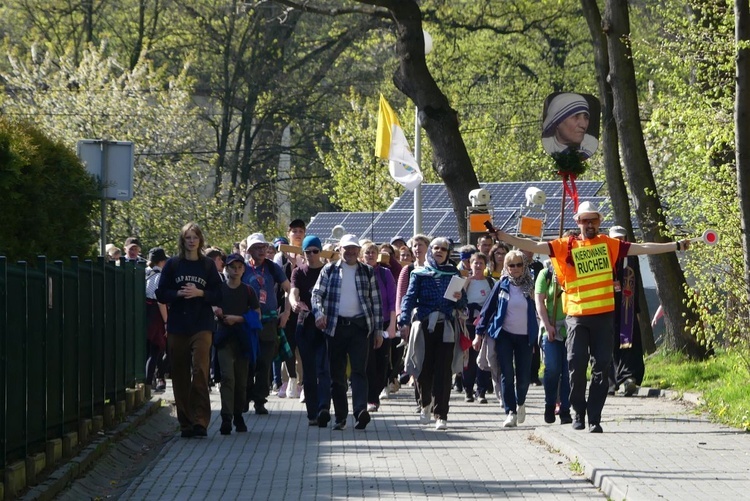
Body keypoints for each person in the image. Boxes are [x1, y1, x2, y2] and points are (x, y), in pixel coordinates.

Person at [492, 200, 692, 432]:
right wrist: (503, 236)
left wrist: (675, 245)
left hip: (604, 317)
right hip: (576, 317)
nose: (589, 224)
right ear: (577, 222)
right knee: (576, 366)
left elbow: (644, 248)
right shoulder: (565, 245)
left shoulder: (608, 244)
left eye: (593, 220)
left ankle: (594, 417)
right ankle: (578, 411)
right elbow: (532, 245)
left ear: (599, 222)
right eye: (584, 220)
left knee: (602, 368)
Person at [156, 222, 223, 438]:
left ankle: (200, 421)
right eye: (188, 238)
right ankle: (185, 422)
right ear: (182, 241)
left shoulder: (207, 266)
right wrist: (179, 294)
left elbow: (219, 294)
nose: (191, 241)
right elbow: (160, 293)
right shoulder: (173, 265)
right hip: (178, 325)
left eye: (195, 237)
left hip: (202, 324)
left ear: (200, 240)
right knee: (179, 374)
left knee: (200, 370)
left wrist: (200, 293)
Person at [311, 234, 382, 431]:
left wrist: (378, 331)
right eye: (346, 248)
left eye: (353, 249)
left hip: (360, 327)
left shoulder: (367, 271)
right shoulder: (330, 270)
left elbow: (376, 302)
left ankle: (360, 411)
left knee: (359, 371)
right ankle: (340, 416)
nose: (350, 252)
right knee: (337, 374)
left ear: (358, 251)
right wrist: (319, 313)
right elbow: (317, 294)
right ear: (339, 249)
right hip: (335, 327)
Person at [398, 237, 467, 431]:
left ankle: (441, 414)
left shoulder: (453, 273)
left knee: (443, 372)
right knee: (423, 368)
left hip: (446, 327)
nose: (439, 251)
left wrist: (460, 298)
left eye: (443, 249)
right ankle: (425, 403)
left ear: (448, 252)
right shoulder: (419, 273)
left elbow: (462, 304)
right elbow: (409, 298)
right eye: (436, 248)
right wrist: (403, 321)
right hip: (424, 326)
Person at [475, 250, 538, 428]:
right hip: (504, 335)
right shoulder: (501, 284)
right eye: (511, 265)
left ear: (524, 266)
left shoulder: (531, 285)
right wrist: (478, 333)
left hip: (526, 336)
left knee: (524, 376)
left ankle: (521, 402)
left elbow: (540, 308)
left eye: (519, 264)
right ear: (506, 267)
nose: (515, 268)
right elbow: (487, 310)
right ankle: (510, 411)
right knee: (507, 373)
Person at [241, 233, 291, 415]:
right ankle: (245, 397)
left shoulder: (272, 268)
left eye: (264, 247)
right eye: (257, 248)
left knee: (264, 362)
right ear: (250, 250)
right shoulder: (242, 269)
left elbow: (288, 288)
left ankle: (260, 400)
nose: (262, 251)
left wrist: (286, 312)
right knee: (248, 361)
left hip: (269, 321)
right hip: (247, 321)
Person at [213, 253, 260, 435]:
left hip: (242, 339)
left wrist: (238, 318)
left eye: (240, 267)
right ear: (227, 268)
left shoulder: (248, 291)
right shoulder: (220, 289)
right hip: (224, 338)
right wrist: (216, 312)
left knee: (241, 381)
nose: (236, 270)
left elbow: (256, 314)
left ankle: (238, 414)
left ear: (244, 269)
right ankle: (226, 417)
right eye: (233, 267)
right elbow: (210, 306)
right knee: (227, 378)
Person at [290, 235, 332, 427]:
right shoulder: (299, 272)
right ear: (304, 253)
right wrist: (293, 303)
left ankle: (324, 408)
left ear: (320, 252)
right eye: (308, 252)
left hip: (324, 325)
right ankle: (312, 414)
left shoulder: (328, 271)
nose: (312, 255)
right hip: (305, 325)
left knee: (324, 369)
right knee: (309, 371)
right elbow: (293, 292)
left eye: (315, 251)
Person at [607, 225, 645, 397]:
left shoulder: (631, 255)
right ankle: (611, 382)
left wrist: (636, 308)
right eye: (615, 238)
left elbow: (635, 280)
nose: (619, 241)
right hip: (608, 306)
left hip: (627, 306)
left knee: (630, 342)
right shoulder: (605, 255)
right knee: (610, 344)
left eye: (621, 238)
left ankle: (629, 377)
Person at [535, 258, 572, 425]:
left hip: (571, 329)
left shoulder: (574, 271)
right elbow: (539, 301)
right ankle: (550, 403)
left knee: (569, 372)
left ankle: (565, 408)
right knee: (553, 369)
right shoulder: (546, 274)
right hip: (550, 328)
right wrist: (547, 325)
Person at [360, 242, 396, 412]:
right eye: (367, 252)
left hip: (383, 322)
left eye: (373, 252)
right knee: (368, 362)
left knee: (382, 362)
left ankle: (378, 389)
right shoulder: (358, 272)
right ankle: (371, 398)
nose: (370, 255)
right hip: (363, 323)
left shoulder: (385, 273)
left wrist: (392, 325)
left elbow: (392, 300)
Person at [460, 252, 494, 404]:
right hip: (468, 324)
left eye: (481, 263)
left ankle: (481, 391)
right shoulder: (465, 282)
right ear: (470, 265)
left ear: (485, 265)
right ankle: (468, 389)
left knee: (483, 357)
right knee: (469, 359)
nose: (478, 266)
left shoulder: (491, 282)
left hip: (485, 324)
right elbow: (458, 299)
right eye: (475, 263)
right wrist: (465, 282)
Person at [541, 92, 599, 160]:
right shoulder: (548, 145)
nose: (583, 125)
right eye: (576, 116)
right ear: (557, 122)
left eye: (586, 117)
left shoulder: (590, 144)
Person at [145, 247, 169, 392]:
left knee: (148, 349)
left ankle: (149, 380)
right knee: (156, 349)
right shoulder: (160, 277)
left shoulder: (145, 274)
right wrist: (166, 321)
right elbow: (161, 301)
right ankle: (148, 381)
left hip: (145, 313)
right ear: (162, 261)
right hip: (156, 314)